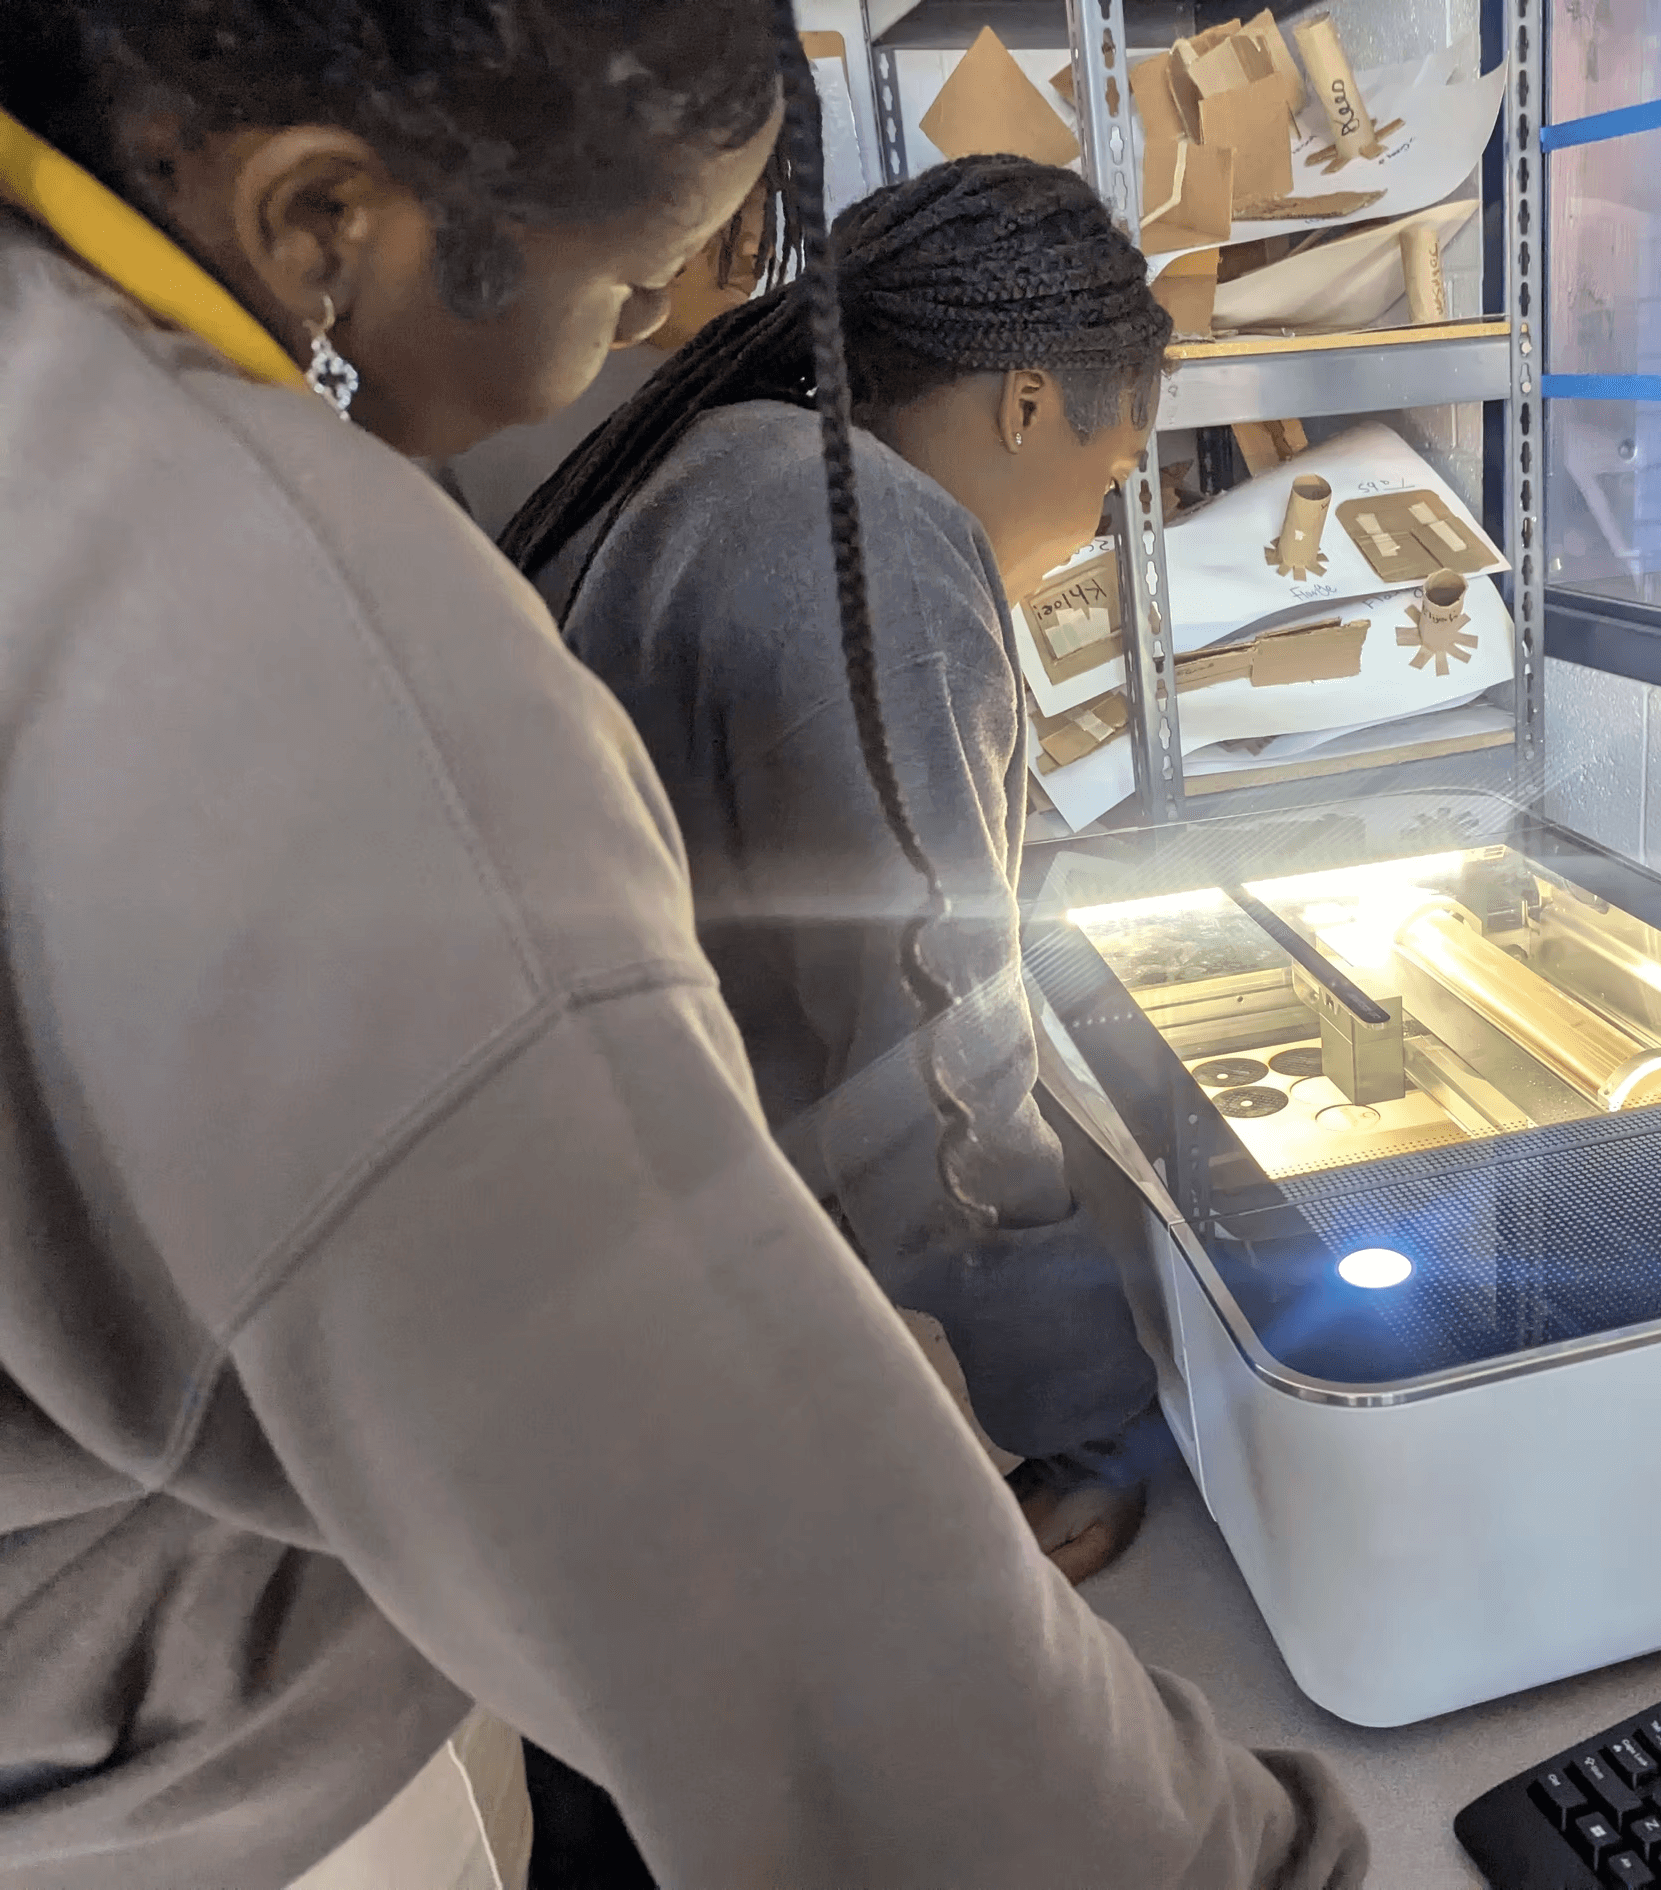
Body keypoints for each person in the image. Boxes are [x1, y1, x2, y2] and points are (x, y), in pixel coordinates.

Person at [0, 8, 1367, 1890]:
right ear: (323, 217)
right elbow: (907, 1051)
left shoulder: (680, 464)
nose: (641, 332)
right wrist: (1099, 1427)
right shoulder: (804, 551)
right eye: (636, 279)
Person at [502, 156, 1175, 1581]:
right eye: (1111, 482)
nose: (1087, 542)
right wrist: (1096, 1417)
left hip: (563, 1253)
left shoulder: (732, 467)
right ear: (1028, 405)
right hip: (640, 1318)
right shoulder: (877, 552)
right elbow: (932, 1050)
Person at [445, 149, 808, 539]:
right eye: (729, 206)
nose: (757, 247)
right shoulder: (473, 415)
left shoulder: (766, 419)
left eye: (767, 206)